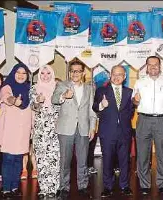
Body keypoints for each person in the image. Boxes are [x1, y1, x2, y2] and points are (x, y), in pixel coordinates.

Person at [51, 61, 97, 199]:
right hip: (65, 129)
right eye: (72, 71)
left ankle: (83, 186)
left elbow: (91, 109)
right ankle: (64, 187)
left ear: (83, 73)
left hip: (83, 128)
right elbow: (54, 99)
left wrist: (93, 127)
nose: (75, 73)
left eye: (78, 71)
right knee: (65, 160)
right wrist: (64, 96)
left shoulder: (90, 88)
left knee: (83, 161)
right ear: (69, 72)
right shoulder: (62, 85)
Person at [132, 56, 163, 195]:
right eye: (150, 65)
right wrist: (135, 100)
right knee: (143, 154)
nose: (153, 67)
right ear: (146, 67)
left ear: (160, 66)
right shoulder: (139, 82)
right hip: (143, 120)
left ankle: (162, 183)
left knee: (162, 154)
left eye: (156, 65)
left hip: (162, 120)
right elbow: (135, 101)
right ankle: (144, 184)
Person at [93, 65, 134, 197]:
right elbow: (95, 107)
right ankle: (108, 186)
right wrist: (101, 105)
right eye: (114, 74)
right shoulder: (101, 91)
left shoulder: (129, 92)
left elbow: (130, 111)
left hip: (124, 132)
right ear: (110, 75)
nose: (117, 77)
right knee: (108, 160)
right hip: (107, 132)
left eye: (120, 74)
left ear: (124, 76)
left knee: (124, 160)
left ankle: (124, 185)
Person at [0, 63, 32, 198]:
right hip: (10, 130)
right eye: (18, 72)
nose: (21, 75)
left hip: (23, 130)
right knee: (8, 159)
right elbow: (5, 96)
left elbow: (33, 108)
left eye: (24, 73)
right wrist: (13, 100)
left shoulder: (29, 89)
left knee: (18, 160)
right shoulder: (7, 87)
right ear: (13, 73)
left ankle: (15, 187)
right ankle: (6, 188)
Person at [29, 66, 60, 198]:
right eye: (42, 73)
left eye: (48, 73)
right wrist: (38, 101)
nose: (45, 76)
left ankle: (54, 187)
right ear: (39, 75)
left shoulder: (58, 87)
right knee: (41, 158)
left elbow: (62, 106)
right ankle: (44, 188)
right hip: (40, 128)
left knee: (54, 158)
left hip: (56, 128)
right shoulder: (34, 88)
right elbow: (33, 106)